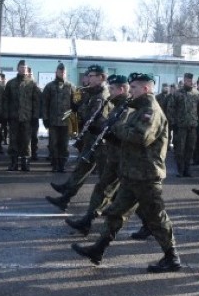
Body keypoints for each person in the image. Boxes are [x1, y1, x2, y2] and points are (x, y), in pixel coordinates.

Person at [71, 72, 182, 273]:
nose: (130, 92)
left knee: (156, 218)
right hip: (132, 174)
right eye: (130, 88)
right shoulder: (138, 110)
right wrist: (109, 135)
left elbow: (141, 138)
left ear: (146, 89)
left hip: (146, 175)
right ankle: (98, 249)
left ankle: (172, 257)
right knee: (115, 213)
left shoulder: (151, 111)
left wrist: (115, 127)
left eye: (135, 88)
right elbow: (127, 141)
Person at [65, 74, 132, 235]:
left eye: (112, 88)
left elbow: (127, 134)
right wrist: (100, 129)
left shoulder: (128, 108)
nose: (109, 90)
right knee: (102, 188)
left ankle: (149, 225)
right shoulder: (117, 104)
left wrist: (108, 133)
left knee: (135, 197)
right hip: (113, 156)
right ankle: (87, 221)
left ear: (121, 89)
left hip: (126, 160)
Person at [46, 64, 110, 210]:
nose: (87, 78)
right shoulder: (92, 92)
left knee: (107, 178)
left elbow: (90, 116)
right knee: (82, 168)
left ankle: (110, 209)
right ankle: (65, 197)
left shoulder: (101, 95)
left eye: (91, 76)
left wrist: (78, 112)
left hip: (101, 141)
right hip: (93, 138)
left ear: (101, 77)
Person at [4, 59, 40, 171]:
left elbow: (36, 101)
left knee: (26, 141)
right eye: (21, 68)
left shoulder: (32, 84)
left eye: (24, 68)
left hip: (27, 117)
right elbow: (6, 100)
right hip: (13, 117)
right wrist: (5, 115)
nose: (22, 69)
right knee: (13, 140)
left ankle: (25, 163)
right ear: (17, 69)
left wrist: (35, 116)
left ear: (27, 69)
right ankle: (13, 163)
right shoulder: (11, 83)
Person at [167, 72, 199, 178]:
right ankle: (180, 170)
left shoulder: (197, 94)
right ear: (184, 81)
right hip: (180, 126)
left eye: (191, 81)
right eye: (188, 81)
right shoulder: (177, 94)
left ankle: (187, 170)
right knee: (180, 149)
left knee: (190, 149)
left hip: (193, 126)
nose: (190, 83)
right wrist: (173, 123)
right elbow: (170, 109)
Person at [41, 62, 75, 173]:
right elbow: (44, 103)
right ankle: (55, 164)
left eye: (64, 72)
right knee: (53, 144)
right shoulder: (49, 86)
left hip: (66, 122)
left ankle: (62, 165)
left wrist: (74, 122)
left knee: (64, 144)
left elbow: (75, 105)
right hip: (53, 121)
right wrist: (45, 118)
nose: (62, 73)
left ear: (66, 73)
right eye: (60, 71)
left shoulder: (71, 87)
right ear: (56, 72)